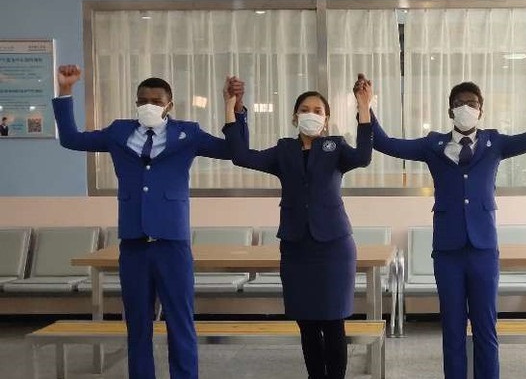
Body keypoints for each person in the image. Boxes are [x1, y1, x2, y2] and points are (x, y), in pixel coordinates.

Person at [363, 65, 526, 379]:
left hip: (483, 250)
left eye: (472, 103)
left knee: (486, 329)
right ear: (450, 110)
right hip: (448, 251)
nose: (466, 108)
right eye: (459, 103)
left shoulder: (495, 142)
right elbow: (386, 143)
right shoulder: (432, 145)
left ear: (481, 110)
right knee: (452, 330)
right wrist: (366, 107)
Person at [52, 65, 246, 379]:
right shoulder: (118, 133)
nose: (149, 106)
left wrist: (233, 107)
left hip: (172, 243)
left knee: (180, 322)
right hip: (134, 244)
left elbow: (235, 151)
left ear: (169, 105)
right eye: (143, 100)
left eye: (156, 101)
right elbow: (71, 139)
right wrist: (65, 90)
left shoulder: (188, 133)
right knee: (137, 325)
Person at [222, 77, 373, 379]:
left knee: (333, 321)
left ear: (326, 119)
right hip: (296, 247)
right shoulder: (284, 150)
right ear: (294, 117)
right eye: (305, 109)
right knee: (306, 322)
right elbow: (241, 156)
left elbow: (363, 157)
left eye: (318, 110)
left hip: (333, 247)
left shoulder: (336, 146)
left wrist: (364, 106)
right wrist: (232, 108)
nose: (311, 114)